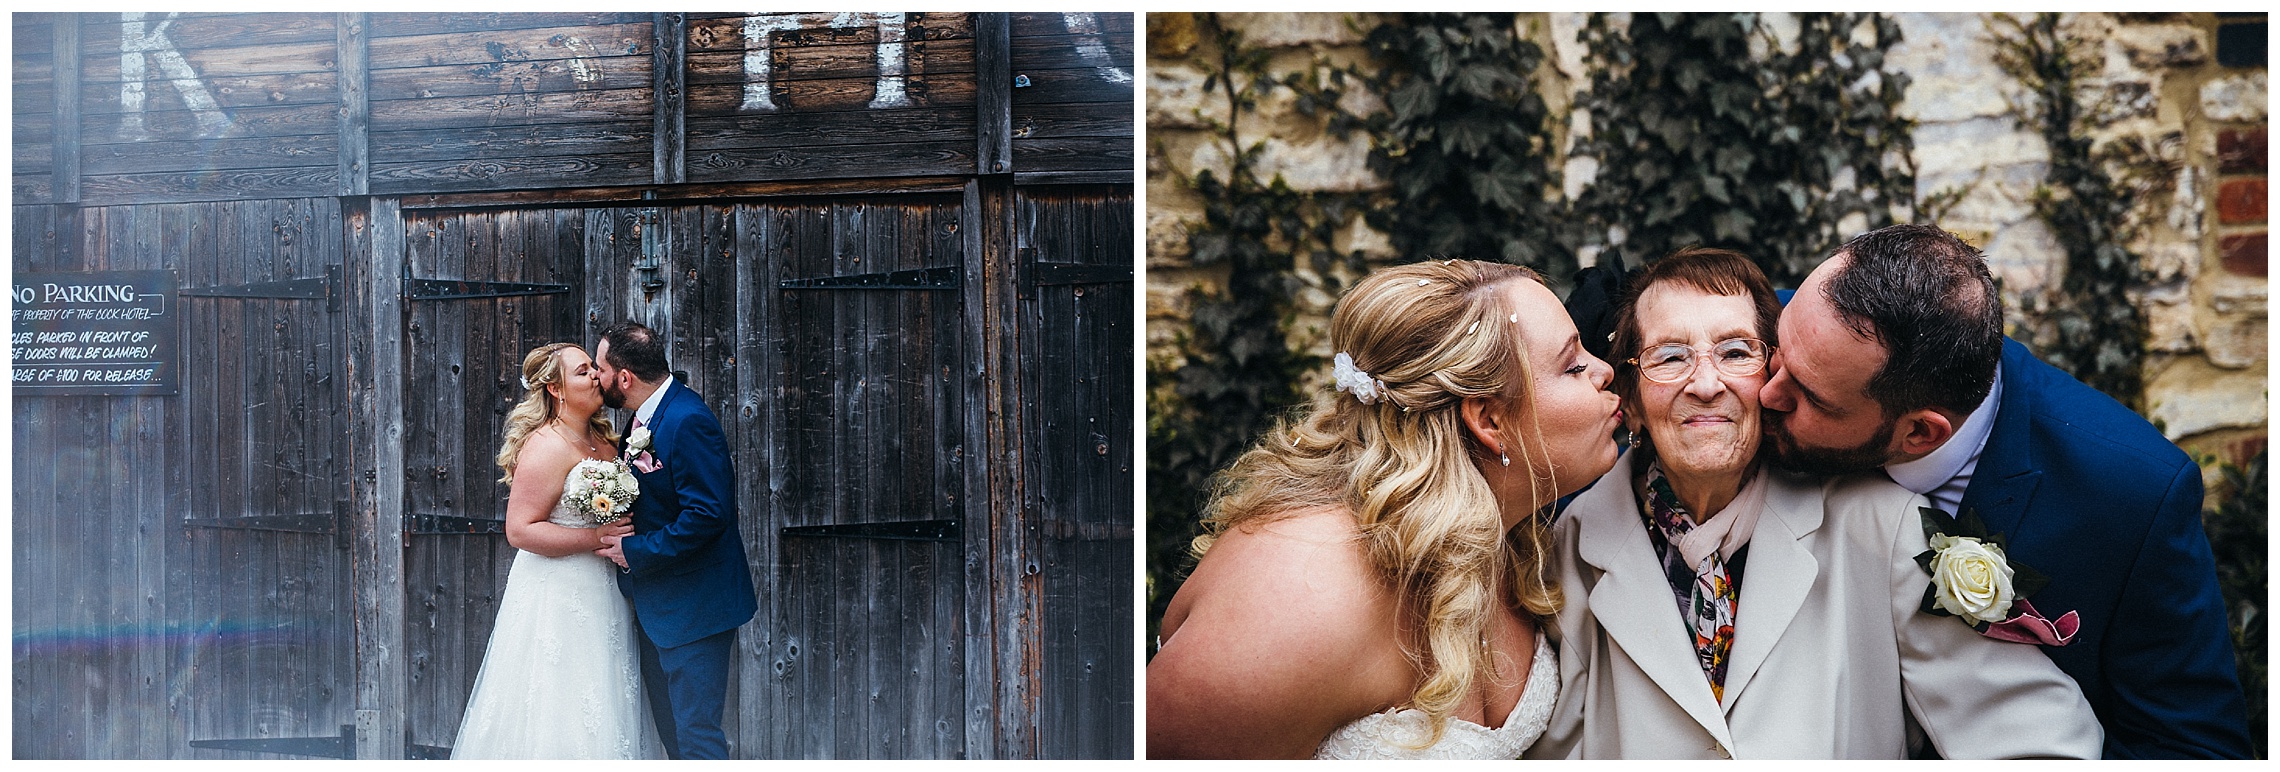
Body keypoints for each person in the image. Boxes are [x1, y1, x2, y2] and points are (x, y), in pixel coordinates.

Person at [1526, 247, 2099, 759]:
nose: (1705, 383)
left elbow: (2037, 744)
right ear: (1629, 394)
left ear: (1772, 373)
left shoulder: (1885, 528)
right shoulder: (1569, 550)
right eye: (1671, 357)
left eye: (1735, 352)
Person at [1757, 224, 2253, 758]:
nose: (1765, 391)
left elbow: (2193, 751)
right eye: (1776, 350)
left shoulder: (2132, 496)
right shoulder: (1789, 333)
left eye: (1810, 399)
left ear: (1921, 433)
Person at [1148, 260, 1626, 759]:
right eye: (1573, 365)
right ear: (1489, 420)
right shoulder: (1302, 590)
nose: (1605, 370)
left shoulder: (1507, 536)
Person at [452, 343, 666, 759]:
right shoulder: (546, 445)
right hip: (558, 592)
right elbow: (520, 531)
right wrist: (597, 538)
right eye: (583, 370)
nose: (595, 376)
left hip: (604, 590)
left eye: (593, 368)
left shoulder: (605, 441)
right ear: (556, 388)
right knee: (559, 698)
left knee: (602, 693)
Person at [590, 322, 758, 760]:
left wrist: (634, 551)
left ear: (624, 377)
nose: (595, 376)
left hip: (694, 609)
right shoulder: (644, 418)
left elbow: (708, 516)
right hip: (659, 608)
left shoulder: (687, 421)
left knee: (696, 738)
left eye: (600, 368)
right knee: (674, 738)